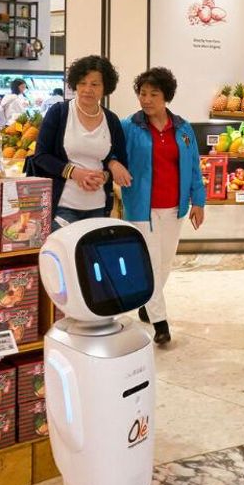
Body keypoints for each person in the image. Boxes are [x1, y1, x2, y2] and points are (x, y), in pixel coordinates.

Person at [121, 67, 206, 346]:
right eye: (142, 93)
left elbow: (194, 167)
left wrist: (198, 201)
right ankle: (160, 322)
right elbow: (113, 156)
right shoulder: (129, 126)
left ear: (166, 96)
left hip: (174, 208)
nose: (146, 99)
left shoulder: (183, 128)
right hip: (141, 208)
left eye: (153, 94)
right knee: (150, 264)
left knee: (165, 262)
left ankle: (148, 304)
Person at [28, 55, 132, 229]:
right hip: (62, 206)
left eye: (95, 84)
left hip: (98, 207)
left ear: (105, 87)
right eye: (82, 83)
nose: (87, 89)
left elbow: (120, 161)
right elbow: (41, 156)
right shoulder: (59, 113)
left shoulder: (111, 120)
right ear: (75, 84)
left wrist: (105, 174)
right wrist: (75, 173)